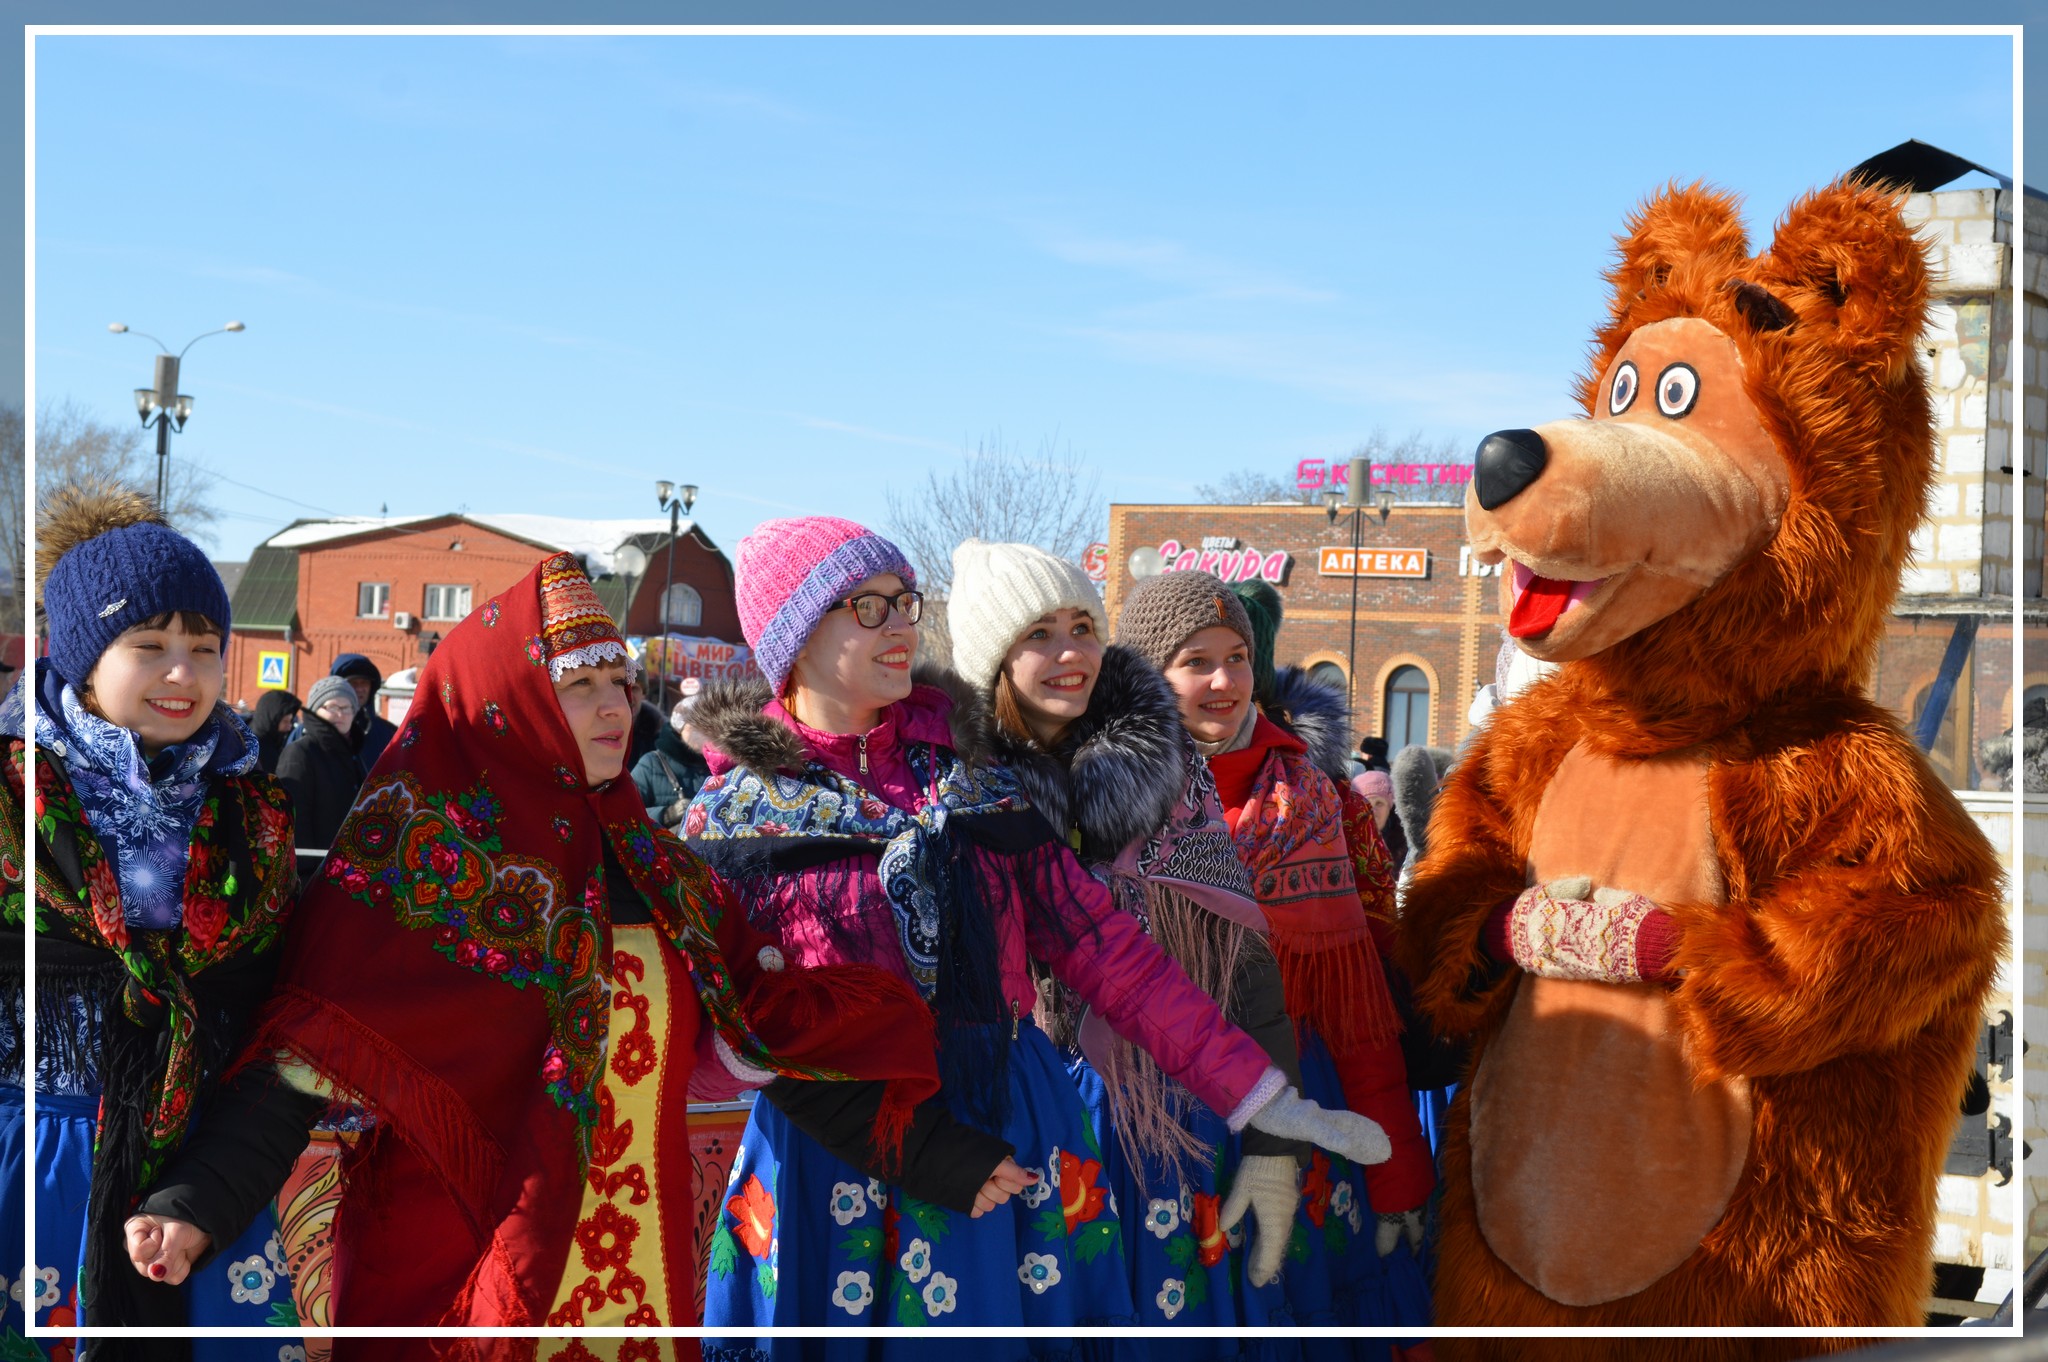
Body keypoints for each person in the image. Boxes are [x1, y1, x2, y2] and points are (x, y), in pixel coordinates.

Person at [139, 552, 981, 1361]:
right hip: (457, 1293)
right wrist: (194, 1204)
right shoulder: (413, 871)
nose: (616, 707)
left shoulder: (664, 875)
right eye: (579, 686)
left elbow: (770, 1041)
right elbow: (296, 1075)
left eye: (620, 683)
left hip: (637, 1292)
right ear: (508, 701)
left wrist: (945, 1158)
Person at [688, 517, 1387, 1350]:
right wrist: (763, 1040)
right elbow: (707, 1048)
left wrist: (1260, 1097)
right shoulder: (733, 819)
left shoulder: (970, 780)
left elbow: (1107, 950)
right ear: (795, 638)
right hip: (837, 1152)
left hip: (1005, 1118)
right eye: (868, 607)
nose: (901, 623)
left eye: (905, 600)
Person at [948, 539, 1339, 1343]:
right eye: (1039, 634)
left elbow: (1242, 966)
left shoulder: (1170, 772)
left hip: (1173, 1115)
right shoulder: (953, 791)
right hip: (1012, 1117)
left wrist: (1274, 1145)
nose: (1070, 652)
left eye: (1082, 627)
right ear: (994, 660)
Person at [0, 485, 303, 1358]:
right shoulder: (12, 802)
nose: (184, 673)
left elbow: (286, 1038)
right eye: (150, 646)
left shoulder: (252, 820)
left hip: (199, 1191)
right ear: (81, 658)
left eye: (205, 648)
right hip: (27, 1178)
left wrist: (206, 1197)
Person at [1120, 569, 1434, 1340]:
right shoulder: (1099, 801)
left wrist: (1396, 1171)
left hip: (1306, 1112)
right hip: (1157, 1129)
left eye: (1237, 657)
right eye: (1196, 662)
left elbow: (1360, 1012)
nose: (1224, 681)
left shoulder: (1317, 800)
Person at [274, 675, 363, 882]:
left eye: (346, 707)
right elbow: (293, 820)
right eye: (331, 706)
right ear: (315, 709)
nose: (340, 714)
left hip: (349, 873)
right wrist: (305, 877)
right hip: (314, 876)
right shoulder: (300, 753)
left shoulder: (355, 755)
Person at [632, 677, 711, 827]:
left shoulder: (719, 766)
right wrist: (666, 814)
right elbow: (626, 813)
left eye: (709, 727)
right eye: (696, 726)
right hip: (663, 842)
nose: (705, 734)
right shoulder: (651, 764)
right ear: (679, 729)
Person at [327, 654, 399, 774]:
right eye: (354, 683)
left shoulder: (387, 733)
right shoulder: (315, 731)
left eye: (364, 683)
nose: (360, 689)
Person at [249, 689, 302, 776]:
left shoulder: (273, 742)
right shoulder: (256, 748)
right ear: (272, 720)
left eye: (291, 721)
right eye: (285, 721)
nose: (289, 726)